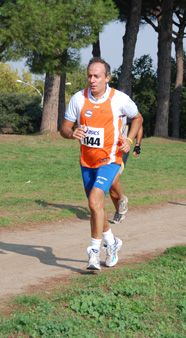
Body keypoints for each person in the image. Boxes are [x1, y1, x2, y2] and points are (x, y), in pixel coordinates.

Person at [60, 57, 143, 270]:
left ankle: (94, 253)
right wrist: (72, 134)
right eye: (89, 75)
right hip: (87, 161)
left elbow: (138, 118)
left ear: (107, 78)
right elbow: (64, 128)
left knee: (95, 201)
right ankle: (113, 243)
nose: (92, 80)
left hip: (111, 158)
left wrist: (130, 140)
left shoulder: (119, 99)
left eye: (97, 76)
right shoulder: (78, 98)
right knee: (96, 207)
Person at [108, 123, 143, 224]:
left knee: (113, 181)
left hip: (122, 150)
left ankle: (122, 199)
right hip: (107, 149)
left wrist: (137, 144)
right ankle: (119, 211)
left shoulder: (124, 108)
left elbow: (139, 124)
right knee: (110, 185)